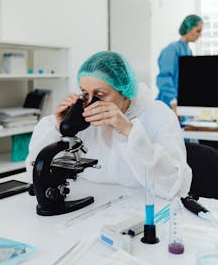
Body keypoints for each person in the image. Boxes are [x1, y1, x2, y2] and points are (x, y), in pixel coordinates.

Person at [26, 51, 192, 200]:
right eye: (85, 94)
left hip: (140, 213)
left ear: (125, 92)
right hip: (91, 211)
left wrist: (129, 131)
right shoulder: (81, 114)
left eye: (100, 95)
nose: (91, 103)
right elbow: (32, 170)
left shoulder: (158, 115)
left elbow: (175, 188)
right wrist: (60, 127)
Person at [156, 14, 203, 113]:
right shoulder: (171, 50)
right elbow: (164, 78)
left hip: (181, 105)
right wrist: (173, 101)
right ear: (189, 29)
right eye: (198, 31)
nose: (200, 34)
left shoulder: (188, 51)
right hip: (169, 104)